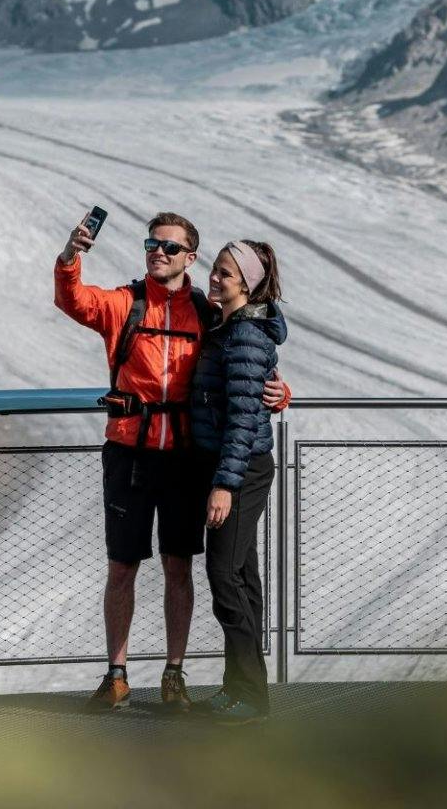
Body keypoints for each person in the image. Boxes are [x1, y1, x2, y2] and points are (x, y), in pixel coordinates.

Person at [55, 211, 286, 712]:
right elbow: (74, 300)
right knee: (123, 566)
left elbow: (248, 362)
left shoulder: (207, 312)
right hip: (129, 453)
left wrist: (279, 391)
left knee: (179, 566)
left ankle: (174, 675)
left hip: (185, 459)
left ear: (190, 256)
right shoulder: (125, 304)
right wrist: (72, 256)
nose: (159, 252)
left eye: (171, 247)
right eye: (152, 244)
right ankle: (116, 674)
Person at [191, 240, 286, 725]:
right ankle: (242, 691)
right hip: (236, 466)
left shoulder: (245, 336)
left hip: (241, 470)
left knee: (225, 577)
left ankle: (250, 695)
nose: (215, 278)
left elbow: (245, 417)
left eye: (225, 274)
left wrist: (224, 485)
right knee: (241, 576)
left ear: (246, 284)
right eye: (215, 269)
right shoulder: (226, 326)